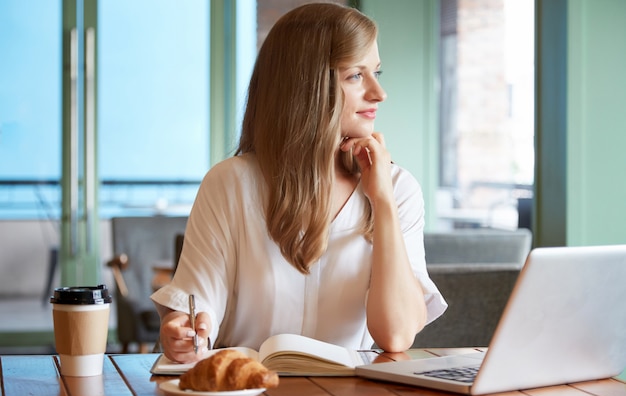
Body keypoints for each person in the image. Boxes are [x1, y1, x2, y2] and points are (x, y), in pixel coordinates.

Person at [151, 2, 447, 364]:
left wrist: (382, 201)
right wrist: (183, 330)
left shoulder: (398, 188)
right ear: (307, 86)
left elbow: (396, 334)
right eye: (356, 75)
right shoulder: (229, 183)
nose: (378, 93)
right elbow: (197, 306)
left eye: (376, 73)